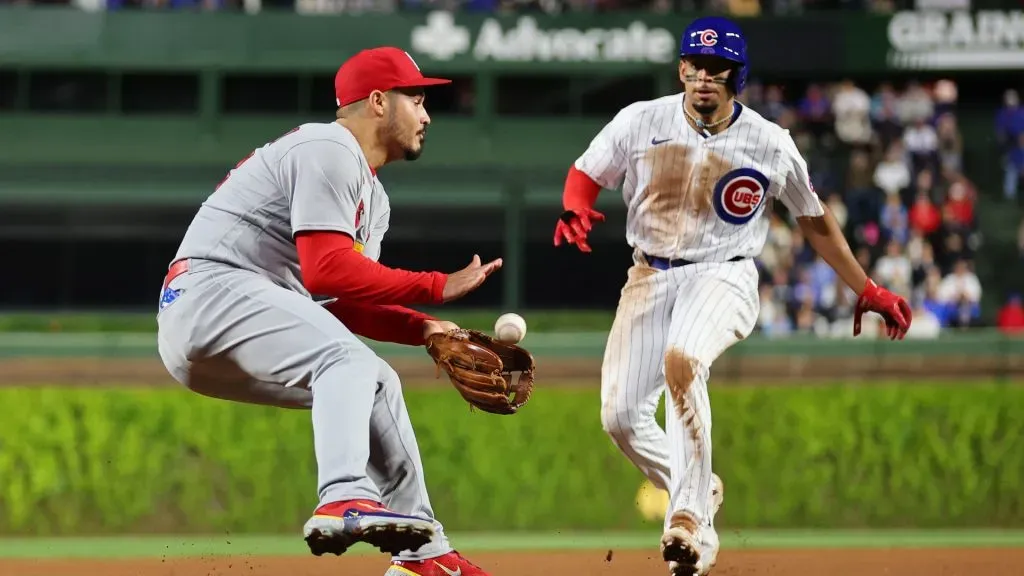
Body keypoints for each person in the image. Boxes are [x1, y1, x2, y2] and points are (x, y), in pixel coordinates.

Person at [552, 17, 911, 576]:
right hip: (648, 276)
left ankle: (691, 522)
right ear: (681, 69)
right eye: (693, 66)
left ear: (735, 77)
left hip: (724, 272)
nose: (701, 78)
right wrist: (575, 205)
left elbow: (813, 221)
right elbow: (586, 171)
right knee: (620, 417)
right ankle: (697, 488)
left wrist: (866, 288)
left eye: (715, 70)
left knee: (683, 359)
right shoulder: (641, 120)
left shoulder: (769, 142)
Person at [155, 46, 501, 576]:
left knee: (376, 382)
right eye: (416, 98)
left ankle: (424, 555)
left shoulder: (374, 201)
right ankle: (341, 498)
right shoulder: (329, 145)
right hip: (212, 290)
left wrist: (424, 329)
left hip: (222, 327)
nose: (427, 114)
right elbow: (326, 271)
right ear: (379, 101)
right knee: (352, 365)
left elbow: (342, 303)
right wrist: (435, 286)